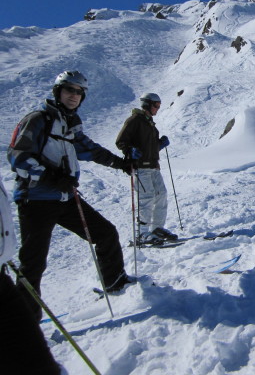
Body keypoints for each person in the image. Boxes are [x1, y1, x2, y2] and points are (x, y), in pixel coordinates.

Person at [7, 70, 133, 320]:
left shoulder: (69, 124)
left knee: (106, 233)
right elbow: (18, 157)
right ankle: (25, 324)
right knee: (33, 264)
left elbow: (89, 150)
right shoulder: (38, 119)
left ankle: (115, 284)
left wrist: (120, 164)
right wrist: (52, 177)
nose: (74, 95)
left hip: (63, 198)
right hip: (36, 200)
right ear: (58, 91)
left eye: (79, 92)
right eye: (69, 90)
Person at [0, 176, 62, 374]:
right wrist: (53, 175)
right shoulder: (27, 142)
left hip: (1, 274)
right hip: (37, 200)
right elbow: (21, 160)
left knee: (38, 365)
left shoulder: (67, 142)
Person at [116, 92, 176, 245]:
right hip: (141, 168)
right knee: (146, 198)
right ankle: (142, 234)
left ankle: (157, 228)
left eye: (159, 106)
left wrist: (159, 144)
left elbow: (149, 147)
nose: (158, 108)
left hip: (154, 167)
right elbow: (121, 141)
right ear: (147, 104)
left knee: (161, 195)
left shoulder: (150, 124)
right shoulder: (135, 120)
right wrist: (130, 150)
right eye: (156, 105)